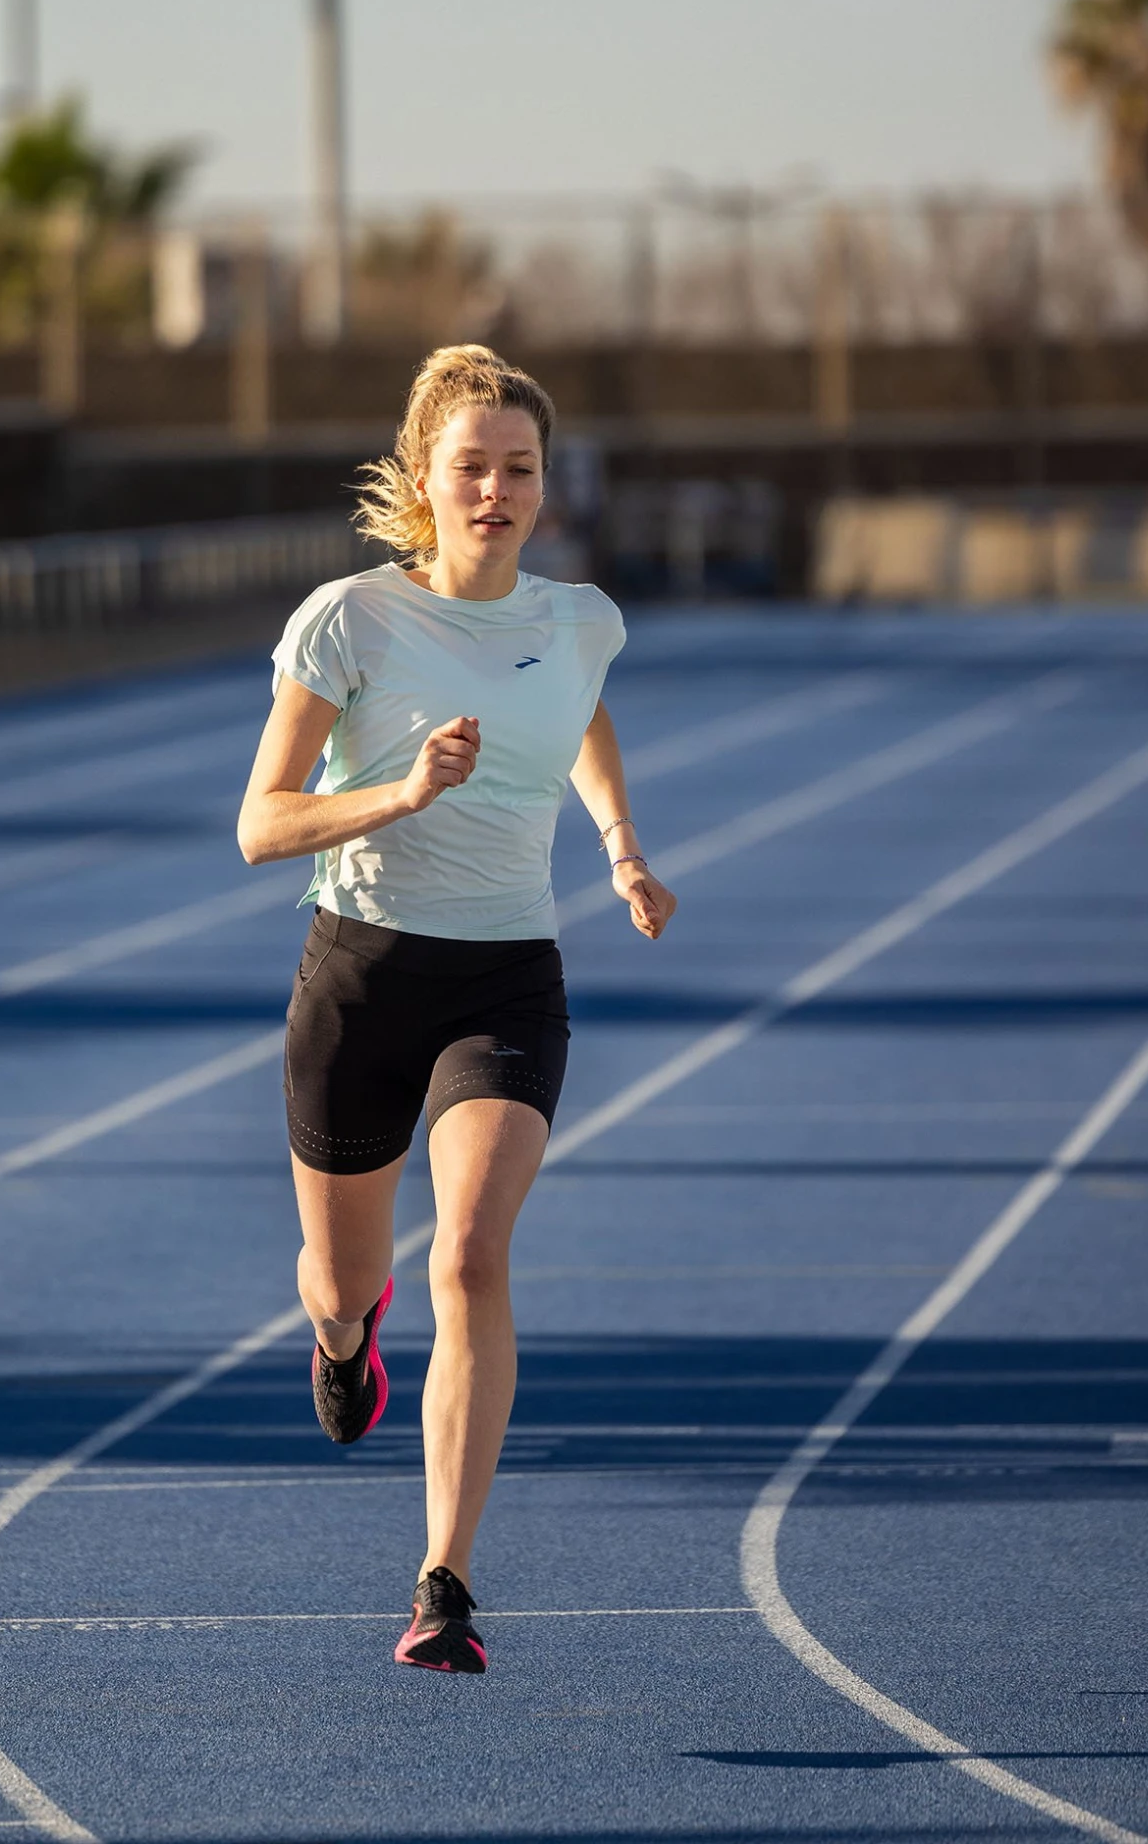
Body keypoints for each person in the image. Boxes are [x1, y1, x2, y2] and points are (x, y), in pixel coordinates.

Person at [237, 344, 676, 1674]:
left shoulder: (579, 621)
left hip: (505, 979)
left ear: (547, 485)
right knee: (346, 1280)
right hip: (362, 976)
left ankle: (446, 1582)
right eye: (472, 467)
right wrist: (403, 794)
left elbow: (581, 716)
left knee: (473, 1254)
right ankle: (341, 1338)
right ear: (423, 479)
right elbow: (261, 825)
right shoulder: (351, 620)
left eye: (519, 468)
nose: (496, 490)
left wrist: (620, 847)